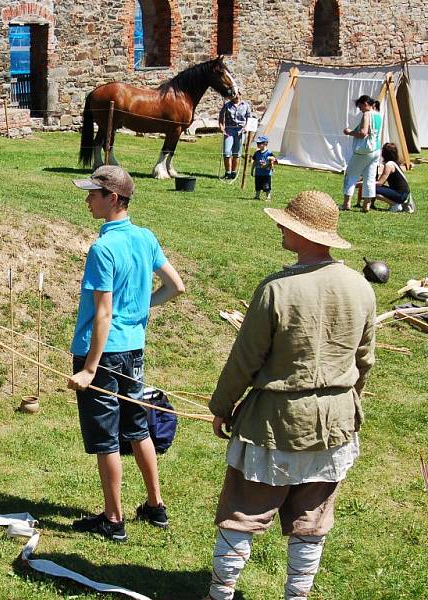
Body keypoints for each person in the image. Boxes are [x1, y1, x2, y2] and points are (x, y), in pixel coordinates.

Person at [206, 190, 376, 600]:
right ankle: (296, 596)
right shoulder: (361, 288)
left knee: (243, 511)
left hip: (275, 423)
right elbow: (364, 361)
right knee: (312, 518)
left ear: (303, 233)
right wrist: (348, 404)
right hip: (334, 423)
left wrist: (222, 407)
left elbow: (244, 360)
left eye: (287, 223)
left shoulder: (276, 290)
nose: (280, 226)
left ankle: (221, 594)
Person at [66, 165, 185, 542]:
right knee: (137, 427)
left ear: (113, 198)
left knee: (107, 439)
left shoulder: (102, 248)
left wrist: (89, 368)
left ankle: (113, 520)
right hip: (133, 350)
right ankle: (155, 505)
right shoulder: (145, 237)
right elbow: (176, 286)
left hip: (104, 356)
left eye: (93, 194)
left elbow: (102, 313)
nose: (87, 199)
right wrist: (138, 313)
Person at [341, 95, 382, 212]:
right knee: (370, 178)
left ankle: (346, 203)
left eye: (360, 107)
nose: (360, 110)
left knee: (351, 175)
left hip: (364, 151)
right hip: (376, 150)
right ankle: (366, 205)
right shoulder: (379, 114)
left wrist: (349, 132)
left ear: (365, 104)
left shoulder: (367, 114)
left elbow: (363, 133)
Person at [219, 91, 253, 179]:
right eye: (233, 94)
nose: (235, 96)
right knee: (227, 152)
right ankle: (227, 173)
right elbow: (221, 118)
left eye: (237, 94)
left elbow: (249, 118)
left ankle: (233, 173)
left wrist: (246, 128)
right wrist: (222, 128)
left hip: (240, 131)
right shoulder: (227, 105)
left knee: (236, 153)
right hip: (229, 130)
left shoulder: (246, 105)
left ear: (240, 94)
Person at [374, 142, 415, 213]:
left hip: (401, 194)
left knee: (371, 190)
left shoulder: (389, 165)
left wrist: (364, 183)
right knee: (374, 188)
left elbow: (380, 183)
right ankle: (399, 204)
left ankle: (395, 205)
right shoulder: (395, 163)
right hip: (404, 192)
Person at [251, 135, 277, 201]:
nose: (258, 144)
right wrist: (252, 170)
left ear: (265, 143)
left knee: (266, 186)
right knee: (258, 185)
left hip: (266, 174)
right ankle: (257, 196)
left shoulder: (269, 153)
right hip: (258, 173)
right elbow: (254, 162)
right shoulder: (256, 153)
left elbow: (275, 161)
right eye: (257, 143)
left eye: (259, 143)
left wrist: (271, 161)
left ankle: (268, 197)